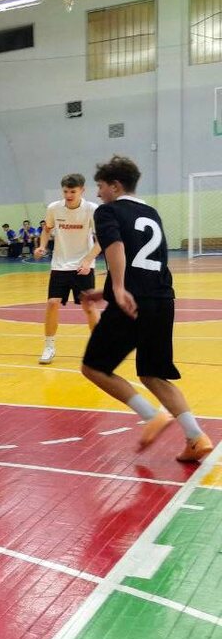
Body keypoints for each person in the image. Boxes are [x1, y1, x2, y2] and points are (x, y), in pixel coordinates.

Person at [80, 156, 213, 463]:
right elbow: (151, 261)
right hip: (162, 299)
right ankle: (196, 437)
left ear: (115, 186)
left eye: (101, 186)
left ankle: (151, 415)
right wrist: (108, 290)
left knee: (93, 368)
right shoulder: (151, 213)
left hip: (132, 301)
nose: (98, 193)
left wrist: (117, 288)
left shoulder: (107, 211)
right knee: (154, 374)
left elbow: (116, 247)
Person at [34, 174, 101, 365]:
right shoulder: (54, 208)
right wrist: (42, 246)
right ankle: (49, 346)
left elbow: (101, 240)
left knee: (89, 307)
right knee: (52, 303)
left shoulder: (92, 209)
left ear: (82, 191)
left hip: (83, 266)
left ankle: (98, 347)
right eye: (65, 191)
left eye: (73, 191)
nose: (69, 195)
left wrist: (87, 261)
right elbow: (47, 229)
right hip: (60, 265)